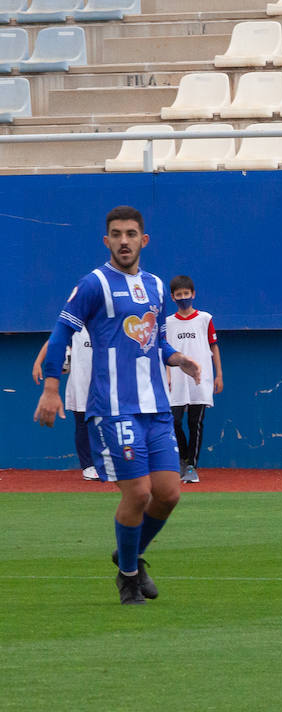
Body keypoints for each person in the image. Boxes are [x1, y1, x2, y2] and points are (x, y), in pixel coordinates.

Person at [33, 205, 202, 606]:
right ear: (106, 240)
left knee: (169, 494)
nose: (123, 241)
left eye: (130, 234)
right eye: (116, 234)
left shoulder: (158, 287)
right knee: (139, 494)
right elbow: (62, 334)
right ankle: (128, 576)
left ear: (144, 240)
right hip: (114, 408)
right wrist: (52, 388)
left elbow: (155, 341)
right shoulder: (94, 284)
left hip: (157, 408)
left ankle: (127, 554)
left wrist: (177, 358)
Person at [165, 275, 223, 483]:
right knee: (174, 421)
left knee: (195, 423)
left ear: (193, 294)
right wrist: (168, 374)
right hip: (177, 381)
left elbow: (213, 347)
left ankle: (192, 466)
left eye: (186, 294)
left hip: (201, 379)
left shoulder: (205, 319)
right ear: (172, 297)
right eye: (179, 295)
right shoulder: (168, 322)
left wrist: (219, 375)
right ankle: (181, 458)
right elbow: (165, 352)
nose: (183, 298)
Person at [32, 327, 97, 481]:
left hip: (105, 385)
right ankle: (88, 466)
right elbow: (54, 341)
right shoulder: (75, 328)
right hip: (80, 385)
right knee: (82, 424)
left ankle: (108, 464)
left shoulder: (106, 323)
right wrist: (37, 363)